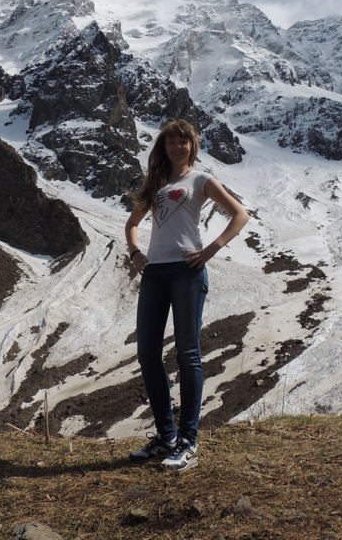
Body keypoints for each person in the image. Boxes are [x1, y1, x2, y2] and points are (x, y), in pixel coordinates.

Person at [125, 119, 249, 471]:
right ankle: (165, 436)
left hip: (187, 271)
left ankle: (188, 441)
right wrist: (136, 253)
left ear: (193, 146)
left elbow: (240, 215)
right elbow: (132, 223)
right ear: (163, 148)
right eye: (171, 142)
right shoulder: (157, 183)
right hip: (155, 272)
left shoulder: (202, 180)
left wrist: (211, 250)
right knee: (148, 353)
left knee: (188, 353)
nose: (178, 147)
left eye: (184, 142)